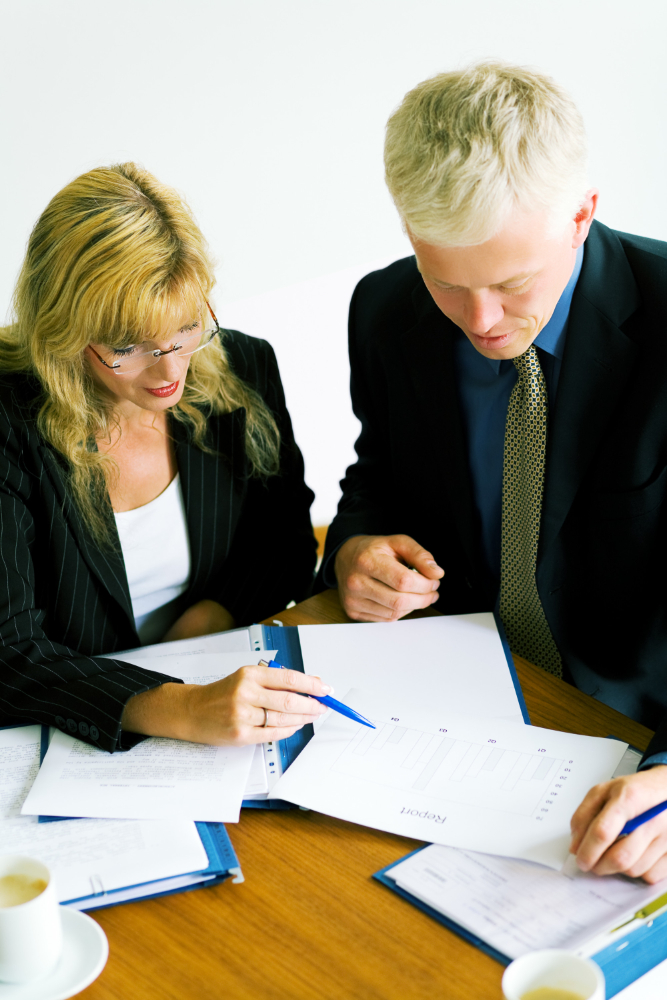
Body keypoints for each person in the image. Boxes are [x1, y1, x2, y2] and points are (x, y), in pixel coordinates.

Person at [317, 62, 667, 882]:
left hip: (639, 745)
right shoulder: (383, 310)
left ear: (581, 215)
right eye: (445, 280)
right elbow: (376, 477)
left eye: (512, 284)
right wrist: (357, 549)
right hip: (455, 722)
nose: (480, 321)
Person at [0, 162, 330, 754]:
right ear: (62, 332)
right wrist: (177, 703)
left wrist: (207, 618)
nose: (172, 372)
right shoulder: (8, 420)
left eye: (185, 329)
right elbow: (8, 650)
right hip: (57, 734)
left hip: (212, 685)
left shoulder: (244, 367)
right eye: (129, 347)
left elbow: (282, 542)